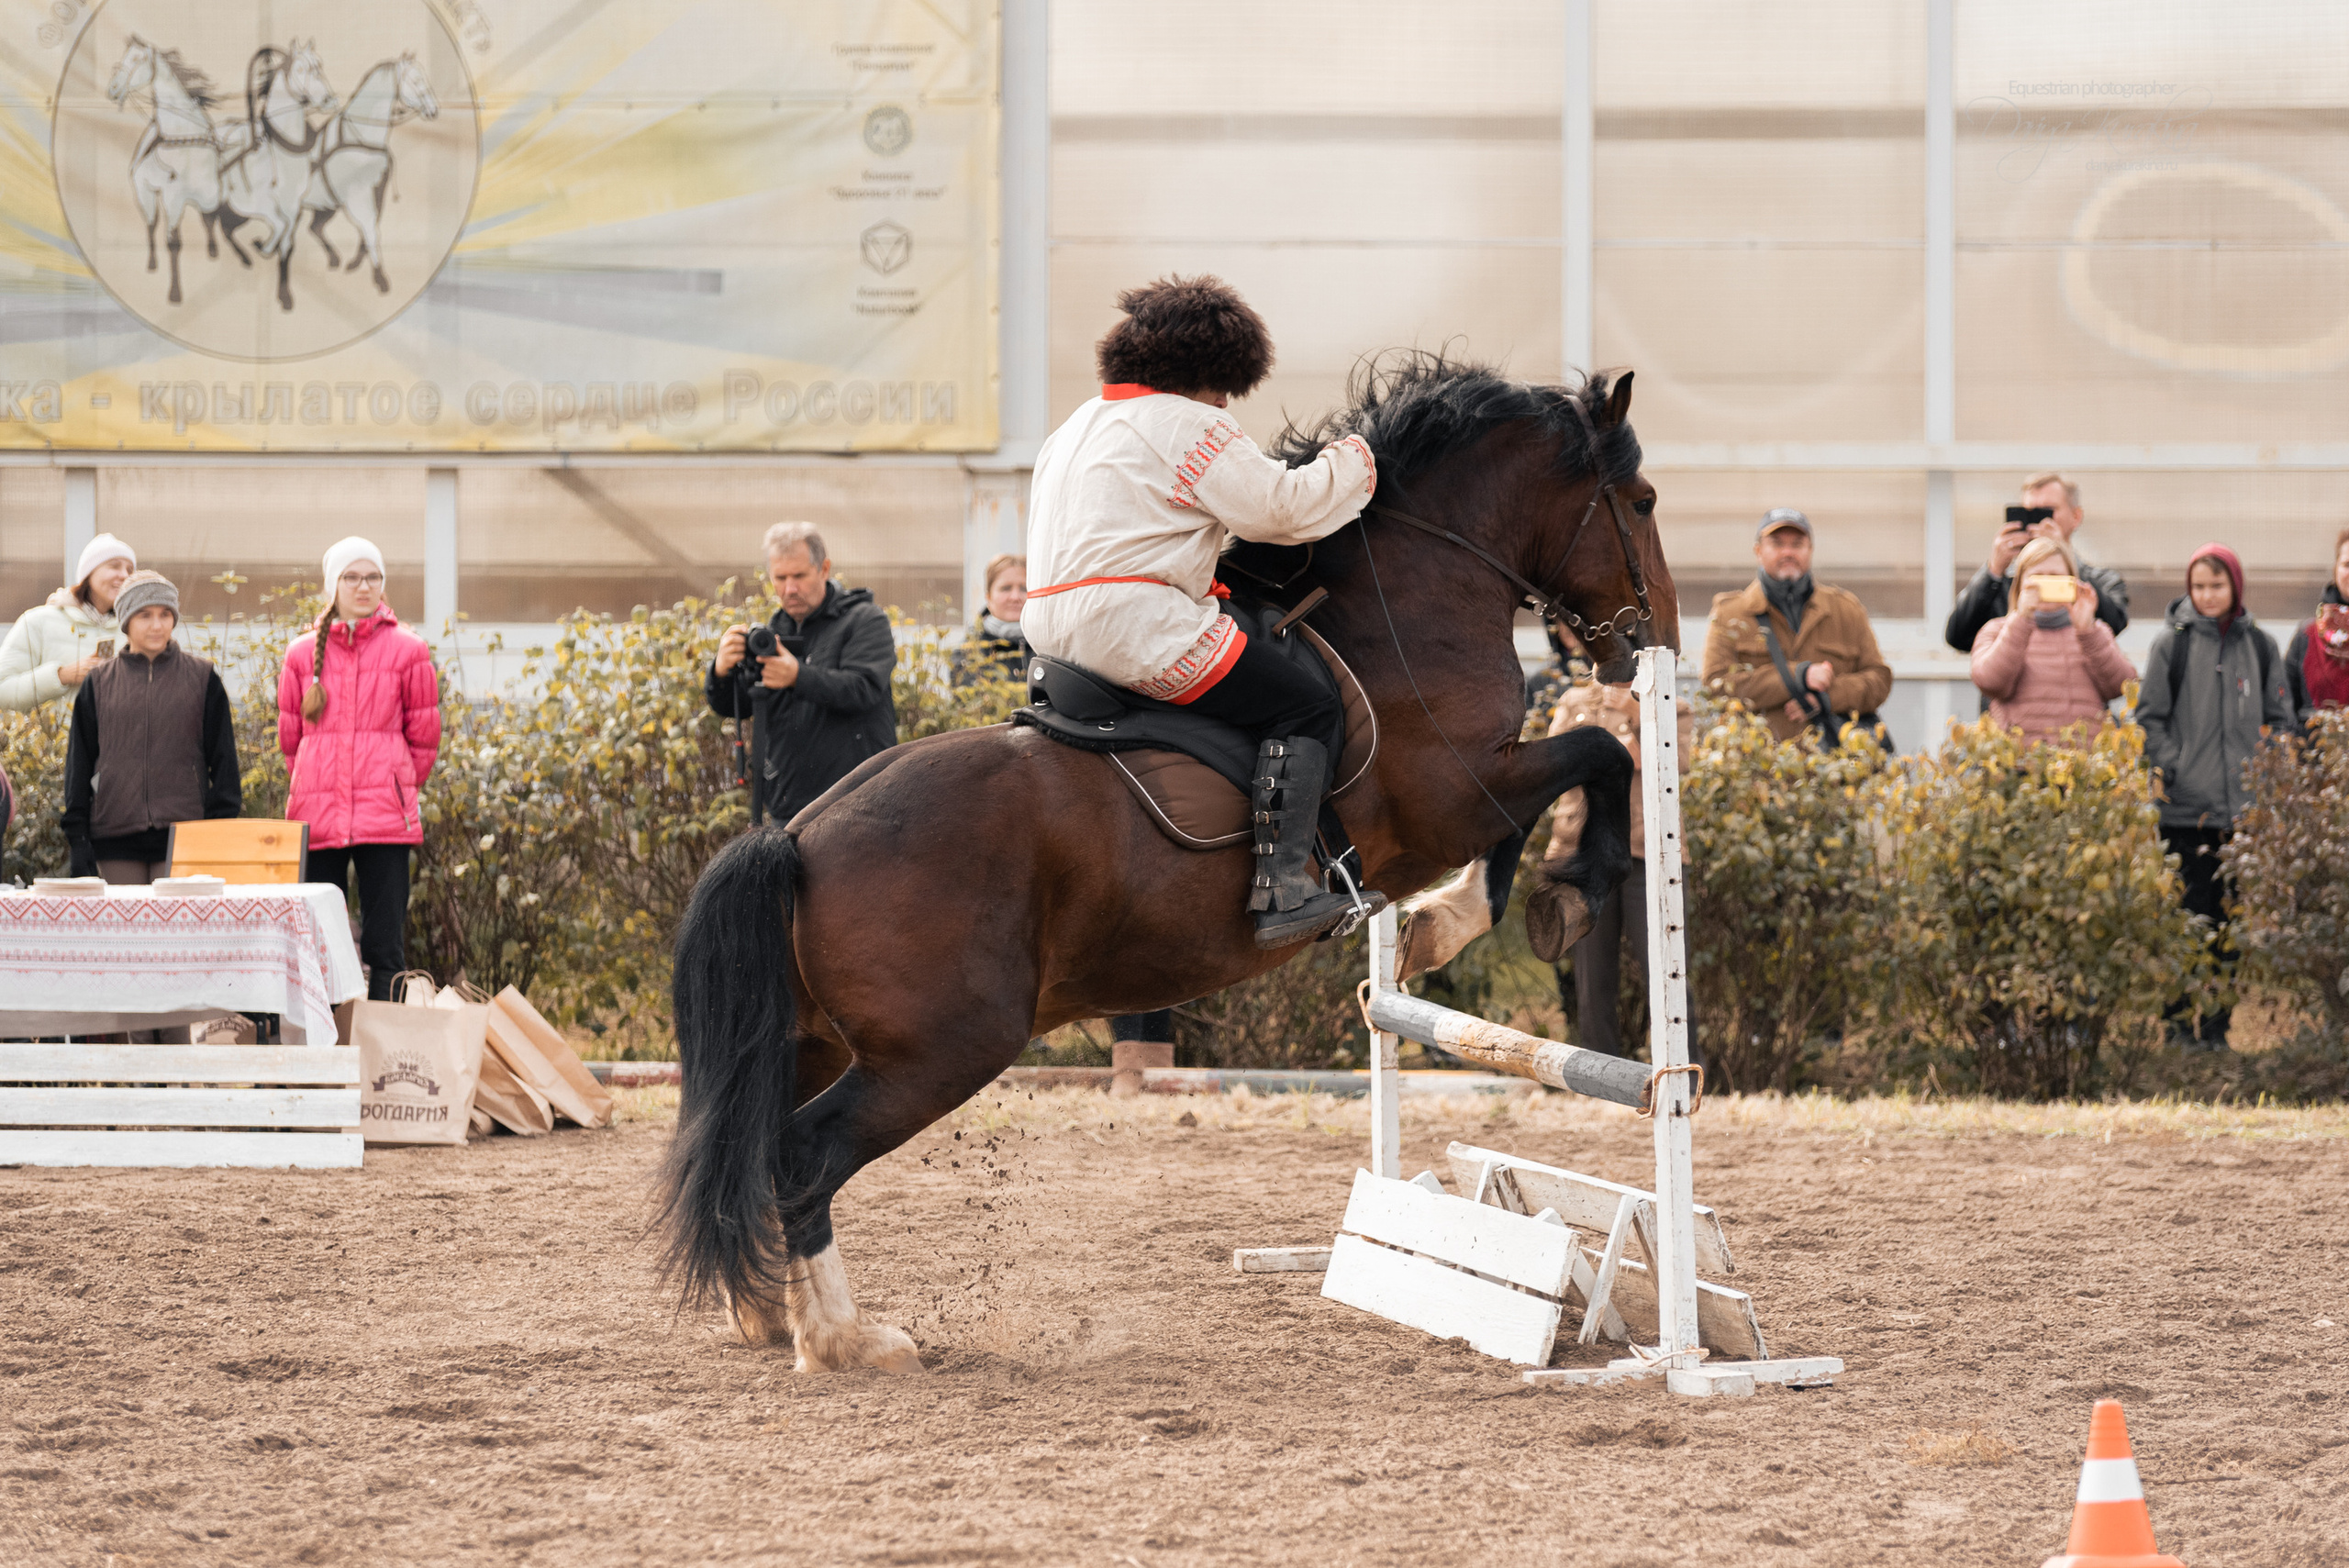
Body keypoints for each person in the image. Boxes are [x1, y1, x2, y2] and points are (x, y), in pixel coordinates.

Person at [1022, 274, 1382, 948]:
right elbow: (1280, 511)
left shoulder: (1075, 424)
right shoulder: (1191, 422)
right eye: (1225, 387)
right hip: (1134, 628)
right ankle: (1283, 891)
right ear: (1203, 373)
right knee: (1307, 703)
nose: (1227, 402)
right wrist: (1359, 456)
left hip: (1047, 632)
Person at [2132, 543, 2295, 1050]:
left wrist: (2265, 781)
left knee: (2230, 926)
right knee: (2185, 921)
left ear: (2235, 588)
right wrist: (2175, 768)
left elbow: (2282, 721)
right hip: (2183, 812)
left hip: (2241, 816)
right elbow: (2149, 720)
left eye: (2216, 586)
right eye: (2198, 586)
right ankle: (2178, 1025)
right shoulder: (2170, 645)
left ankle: (2218, 1028)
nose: (2206, 596)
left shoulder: (2262, 647)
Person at [277, 538, 441, 1002]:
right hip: (319, 817)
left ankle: (379, 1060)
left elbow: (424, 737)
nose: (363, 586)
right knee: (320, 945)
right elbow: (292, 741)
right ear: (333, 586)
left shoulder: (409, 650)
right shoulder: (300, 654)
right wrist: (316, 784)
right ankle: (327, 1057)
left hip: (385, 821)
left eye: (372, 577)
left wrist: (393, 785)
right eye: (351, 577)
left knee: (385, 947)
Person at [1537, 645, 1695, 1059]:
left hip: (1651, 855)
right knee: (1593, 978)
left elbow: (1670, 765)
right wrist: (1621, 750)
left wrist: (1635, 718)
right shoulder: (1574, 703)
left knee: (1667, 970)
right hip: (1586, 853)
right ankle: (1599, 1073)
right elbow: (1556, 767)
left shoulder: (1670, 709)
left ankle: (1684, 1070)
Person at [707, 522, 897, 825]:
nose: (789, 588)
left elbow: (863, 688)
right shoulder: (773, 632)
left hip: (859, 804)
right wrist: (721, 671)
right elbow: (736, 706)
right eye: (780, 578)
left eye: (799, 576)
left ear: (824, 569)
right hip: (788, 808)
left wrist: (798, 676)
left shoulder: (864, 620)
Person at [61, 572, 241, 883]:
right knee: (124, 930)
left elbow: (224, 760)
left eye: (165, 614)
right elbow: (79, 765)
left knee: (178, 931)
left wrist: (217, 827)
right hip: (114, 834)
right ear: (126, 620)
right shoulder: (99, 684)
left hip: (185, 835)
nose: (157, 625)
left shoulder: (202, 679)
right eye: (145, 615)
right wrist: (78, 839)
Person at [1701, 508, 1893, 744]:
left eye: (1797, 544)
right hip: (1755, 769)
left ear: (1810, 550)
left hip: (1837, 770)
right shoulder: (1729, 613)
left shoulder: (1846, 610)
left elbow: (1879, 680)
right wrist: (1799, 676)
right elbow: (1715, 686)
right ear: (1758, 551)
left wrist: (1827, 698)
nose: (1788, 552)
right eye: (1777, 544)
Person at [1945, 473, 2129, 712]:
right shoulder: (2005, 585)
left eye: (2047, 511)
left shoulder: (2101, 581)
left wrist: (2066, 562)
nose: (2038, 522)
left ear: (2076, 517)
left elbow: (2114, 622)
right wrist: (1993, 570)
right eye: (2029, 512)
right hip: (2011, 725)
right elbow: (1958, 636)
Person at [1967, 535, 2136, 743]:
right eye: (2038, 577)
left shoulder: (2094, 631)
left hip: (2083, 768)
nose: (2045, 584)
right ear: (2020, 583)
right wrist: (2021, 620)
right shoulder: (1996, 630)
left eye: (2055, 576)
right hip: (2016, 767)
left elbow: (2121, 686)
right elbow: (1990, 682)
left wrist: (2088, 631)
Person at [0, 533, 138, 714]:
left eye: (130, 570)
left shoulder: (132, 630)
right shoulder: (37, 621)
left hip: (114, 742)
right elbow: (3, 692)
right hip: (52, 742)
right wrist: (61, 676)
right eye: (114, 566)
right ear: (89, 573)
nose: (124, 575)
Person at [2283, 527, 2349, 727]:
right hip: (2314, 755)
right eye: (2347, 564)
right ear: (2335, 569)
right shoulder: (2307, 636)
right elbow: (2285, 707)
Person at [965, 553, 1030, 680]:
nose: (1015, 597)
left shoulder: (1051, 648)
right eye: (1006, 588)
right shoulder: (968, 653)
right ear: (988, 597)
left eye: (1024, 589)